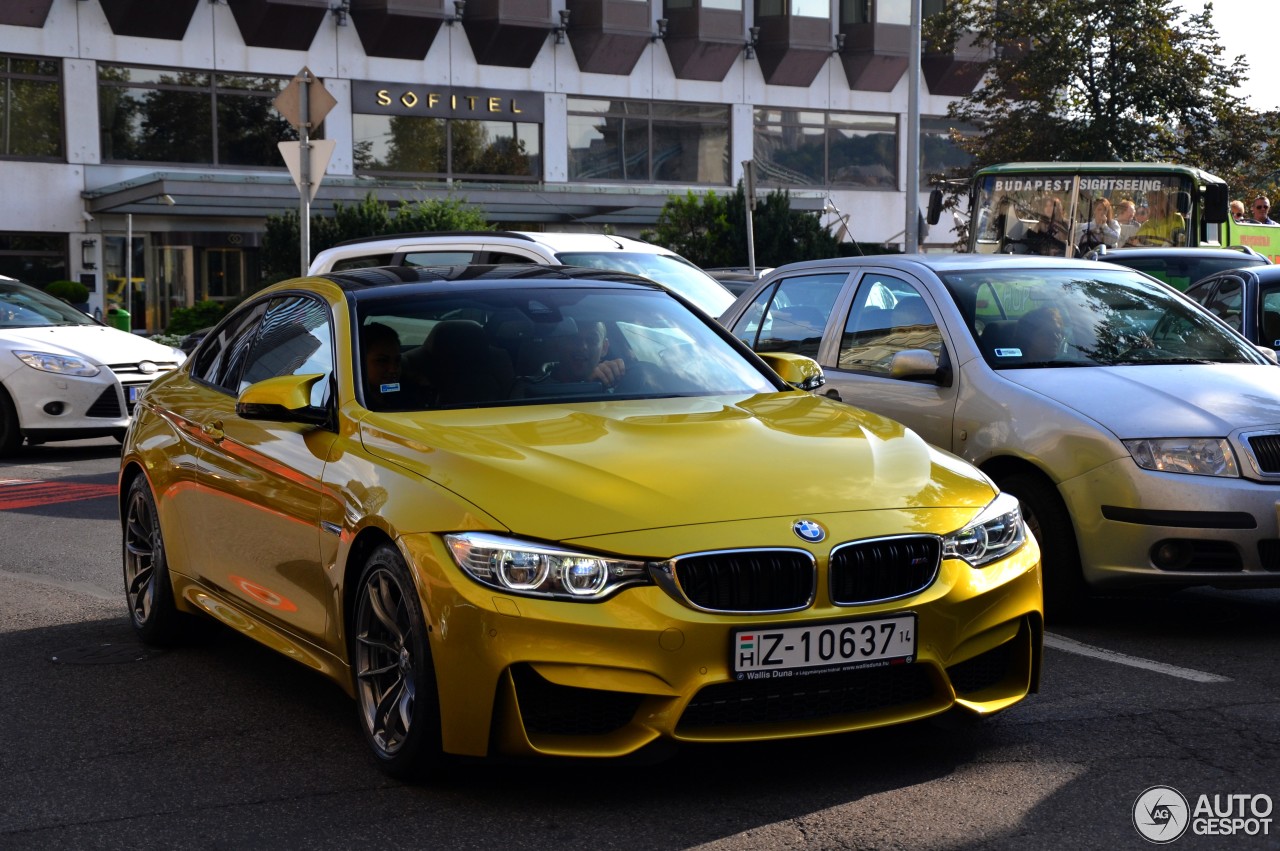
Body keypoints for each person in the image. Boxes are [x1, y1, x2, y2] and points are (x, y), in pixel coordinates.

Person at [360, 321, 404, 409]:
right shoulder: (354, 404)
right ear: (361, 361)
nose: (393, 369)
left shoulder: (409, 396)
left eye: (397, 360)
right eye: (382, 361)